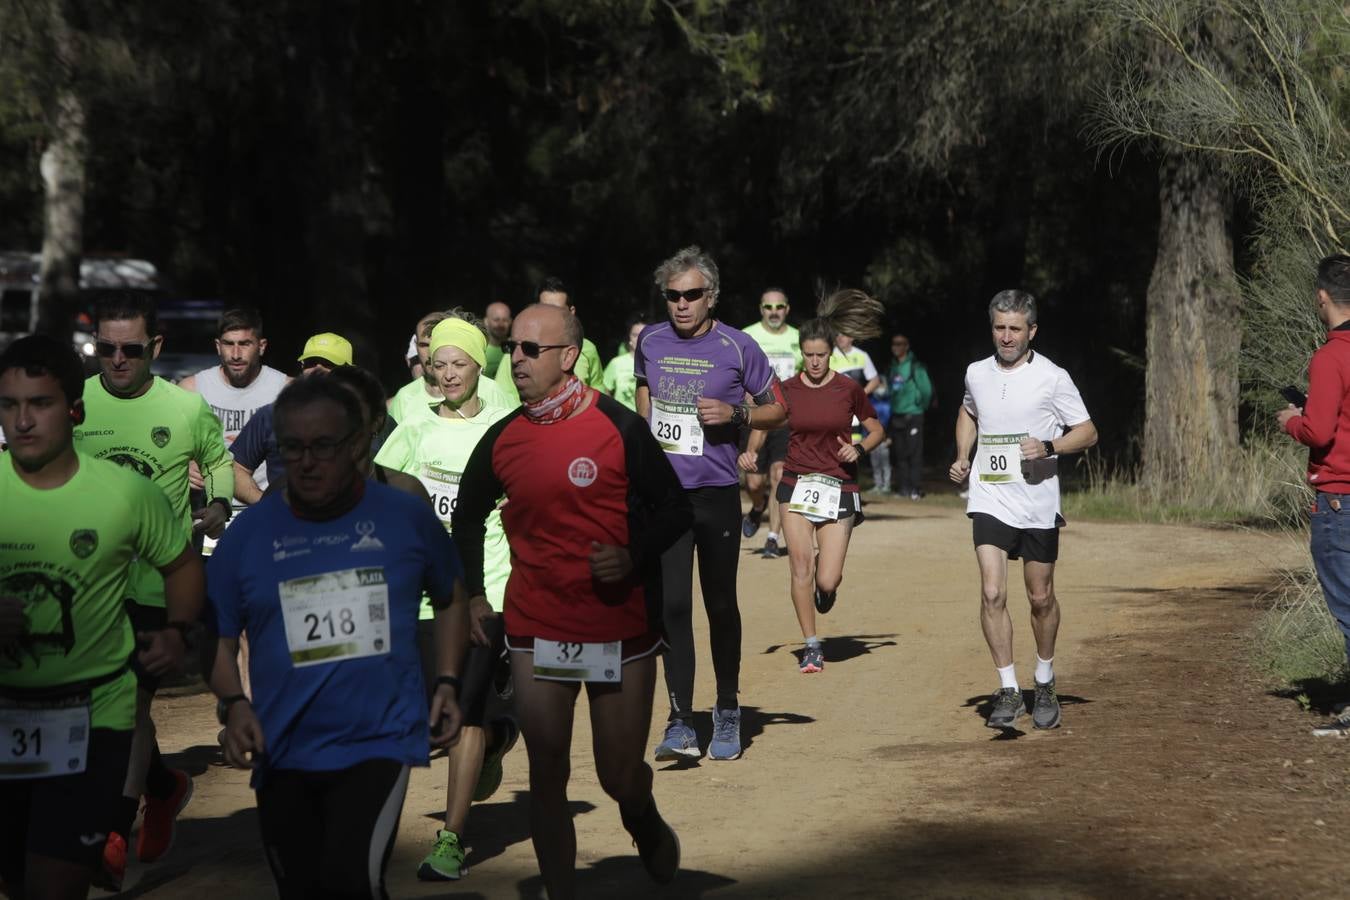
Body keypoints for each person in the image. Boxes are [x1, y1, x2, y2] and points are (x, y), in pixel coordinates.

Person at [454, 303, 691, 899]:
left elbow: (675, 511)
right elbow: (465, 515)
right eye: (513, 349)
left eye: (532, 350)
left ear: (568, 357)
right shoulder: (503, 438)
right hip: (539, 627)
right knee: (547, 773)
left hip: (618, 626)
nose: (517, 359)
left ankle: (642, 817)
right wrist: (477, 597)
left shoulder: (618, 427)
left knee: (617, 775)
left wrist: (633, 553)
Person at [207, 377, 470, 900]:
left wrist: (444, 681)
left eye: (322, 446)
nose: (306, 462)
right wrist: (234, 704)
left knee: (352, 881)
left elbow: (452, 596)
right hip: (283, 747)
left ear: (355, 445)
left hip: (380, 740)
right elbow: (217, 637)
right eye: (293, 448)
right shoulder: (248, 536)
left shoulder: (404, 515)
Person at [0, 335, 205, 900]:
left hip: (93, 718)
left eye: (38, 403)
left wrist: (176, 630)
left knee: (55, 884)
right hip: (6, 712)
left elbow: (183, 565)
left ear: (75, 410)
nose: (22, 421)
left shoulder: (127, 494)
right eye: (9, 404)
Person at [73, 292, 235, 886]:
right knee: (93, 705)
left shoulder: (184, 408)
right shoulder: (76, 402)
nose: (117, 360)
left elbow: (217, 460)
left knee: (130, 698)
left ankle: (115, 828)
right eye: (106, 349)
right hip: (85, 580)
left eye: (130, 350)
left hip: (155, 580)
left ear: (155, 349)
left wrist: (216, 501)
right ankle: (164, 786)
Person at [373, 316, 519, 881]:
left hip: (487, 586)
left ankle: (452, 837)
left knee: (466, 711)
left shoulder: (505, 426)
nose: (450, 373)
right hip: (423, 594)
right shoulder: (413, 424)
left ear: (480, 366)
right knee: (422, 715)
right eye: (440, 364)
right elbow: (382, 491)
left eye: (460, 363)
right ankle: (501, 738)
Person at [635, 246, 786, 761]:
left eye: (692, 295)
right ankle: (680, 719)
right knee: (671, 605)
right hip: (666, 497)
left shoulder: (738, 346)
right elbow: (643, 394)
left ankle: (726, 707)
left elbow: (778, 409)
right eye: (673, 295)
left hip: (717, 494)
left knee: (720, 604)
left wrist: (736, 413)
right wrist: (642, 448)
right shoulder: (650, 342)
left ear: (711, 295)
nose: (681, 304)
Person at [948, 290, 1096, 730]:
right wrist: (961, 455)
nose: (1006, 336)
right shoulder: (977, 372)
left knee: (1040, 596)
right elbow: (968, 412)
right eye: (999, 327)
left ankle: (1045, 679)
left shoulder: (1052, 377)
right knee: (992, 592)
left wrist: (1050, 445)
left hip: (1036, 500)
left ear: (1031, 330)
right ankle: (1009, 688)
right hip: (990, 497)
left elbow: (1087, 431)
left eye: (1015, 329)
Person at [744, 290, 885, 674]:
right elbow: (765, 419)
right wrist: (752, 451)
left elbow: (876, 429)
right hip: (796, 485)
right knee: (801, 567)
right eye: (808, 355)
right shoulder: (787, 390)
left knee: (827, 577)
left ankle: (827, 590)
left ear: (830, 353)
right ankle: (811, 645)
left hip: (839, 486)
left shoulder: (848, 389)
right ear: (802, 353)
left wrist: (859, 448)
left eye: (821, 354)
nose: (815, 361)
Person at [1277, 254, 1350, 736]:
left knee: (1346, 602)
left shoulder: (1328, 357)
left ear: (1322, 297)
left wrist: (1291, 422)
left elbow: (1320, 432)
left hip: (1339, 499)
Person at [178, 308, 290, 546]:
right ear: (218, 346)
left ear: (261, 346)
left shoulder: (285, 390)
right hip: (206, 511)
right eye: (229, 344)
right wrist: (183, 463)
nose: (236, 354)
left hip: (263, 507)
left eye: (245, 344)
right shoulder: (191, 389)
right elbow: (165, 446)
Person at [231, 332, 353, 505]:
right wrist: (265, 504)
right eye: (310, 363)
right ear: (302, 367)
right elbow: (236, 469)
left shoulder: (368, 420)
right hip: (285, 527)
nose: (317, 369)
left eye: (328, 364)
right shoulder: (271, 415)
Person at [741, 288, 801, 557]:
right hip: (755, 416)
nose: (774, 312)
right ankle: (757, 507)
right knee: (754, 482)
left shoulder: (799, 338)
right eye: (768, 307)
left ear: (787, 309)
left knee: (780, 474)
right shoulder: (747, 335)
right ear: (761, 309)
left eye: (779, 307)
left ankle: (773, 539)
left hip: (787, 420)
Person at [493, 278, 606, 403]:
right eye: (544, 308)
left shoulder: (588, 349)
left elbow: (597, 392)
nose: (549, 316)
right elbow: (502, 398)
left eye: (558, 310)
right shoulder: (516, 350)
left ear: (571, 312)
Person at [389, 312, 510, 423]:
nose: (431, 352)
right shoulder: (410, 411)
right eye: (424, 345)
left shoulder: (493, 393)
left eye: (459, 364)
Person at [887, 333, 934, 499]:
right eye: (894, 344)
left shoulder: (916, 366)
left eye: (900, 344)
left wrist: (920, 406)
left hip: (914, 415)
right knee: (900, 454)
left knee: (914, 453)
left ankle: (915, 489)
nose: (896, 347)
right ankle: (903, 488)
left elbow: (927, 390)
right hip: (897, 415)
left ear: (906, 346)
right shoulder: (893, 367)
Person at [602, 314, 647, 412]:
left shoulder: (657, 363)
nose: (639, 339)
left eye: (643, 335)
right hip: (622, 420)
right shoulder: (616, 363)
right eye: (635, 335)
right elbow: (604, 389)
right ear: (629, 338)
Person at [483, 301, 512, 378]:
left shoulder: (516, 348)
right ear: (486, 321)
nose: (501, 324)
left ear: (510, 321)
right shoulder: (480, 348)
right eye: (496, 320)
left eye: (505, 320)